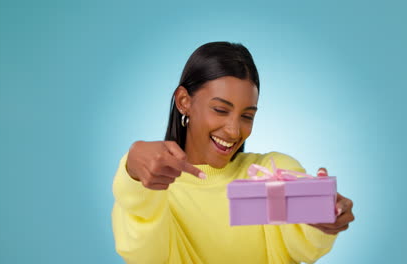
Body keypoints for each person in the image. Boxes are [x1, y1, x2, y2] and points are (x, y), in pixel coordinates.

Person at [111, 41, 355, 264]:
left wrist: (323, 211)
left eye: (247, 116)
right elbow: (143, 254)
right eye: (220, 109)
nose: (234, 130)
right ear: (184, 101)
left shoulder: (270, 173)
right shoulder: (158, 192)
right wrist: (132, 169)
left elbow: (305, 245)